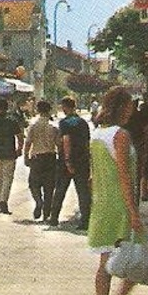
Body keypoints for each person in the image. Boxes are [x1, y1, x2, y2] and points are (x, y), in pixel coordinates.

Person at [89, 85, 143, 295]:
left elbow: (94, 175)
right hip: (120, 204)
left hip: (102, 204)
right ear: (122, 107)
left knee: (105, 263)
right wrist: (133, 212)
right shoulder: (120, 135)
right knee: (138, 259)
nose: (132, 110)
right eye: (130, 105)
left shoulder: (97, 135)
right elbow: (124, 174)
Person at [53, 96, 92, 230]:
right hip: (82, 160)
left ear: (65, 107)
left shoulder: (65, 123)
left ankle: (54, 218)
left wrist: (68, 161)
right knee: (83, 192)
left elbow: (66, 141)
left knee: (60, 190)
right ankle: (85, 220)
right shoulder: (83, 123)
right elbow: (87, 143)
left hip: (67, 161)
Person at [23, 100, 60, 221]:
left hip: (37, 157)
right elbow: (58, 144)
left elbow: (28, 143)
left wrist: (26, 156)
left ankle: (39, 201)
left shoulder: (33, 124)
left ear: (38, 110)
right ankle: (46, 212)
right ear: (49, 110)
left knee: (34, 184)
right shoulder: (54, 126)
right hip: (50, 157)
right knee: (49, 186)